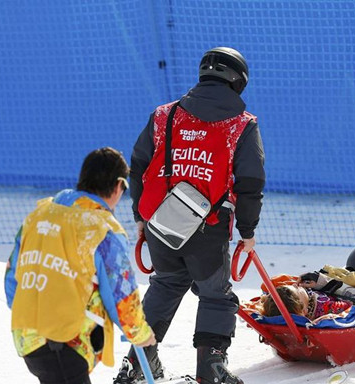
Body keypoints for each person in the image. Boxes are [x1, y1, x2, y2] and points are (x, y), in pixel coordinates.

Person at [114, 47, 265, 384]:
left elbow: (138, 166)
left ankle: (136, 365)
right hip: (207, 228)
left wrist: (141, 215)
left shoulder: (164, 115)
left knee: (166, 284)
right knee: (216, 296)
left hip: (159, 221)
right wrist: (248, 230)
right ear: (238, 80)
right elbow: (251, 181)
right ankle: (211, 369)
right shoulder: (241, 124)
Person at [4, 147, 156, 384]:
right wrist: (139, 333)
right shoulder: (102, 228)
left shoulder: (39, 216)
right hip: (64, 340)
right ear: (117, 186)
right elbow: (120, 295)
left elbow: (13, 278)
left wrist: (33, 313)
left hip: (27, 335)